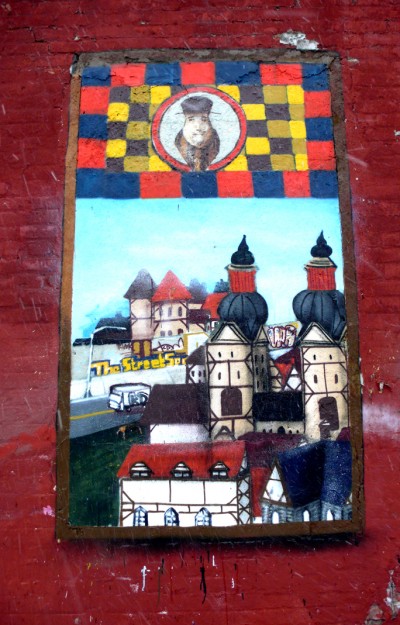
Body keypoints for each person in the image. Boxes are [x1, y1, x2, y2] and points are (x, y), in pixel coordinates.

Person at [175, 96, 220, 171]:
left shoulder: (215, 143)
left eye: (204, 120)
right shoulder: (178, 144)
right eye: (191, 119)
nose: (198, 127)